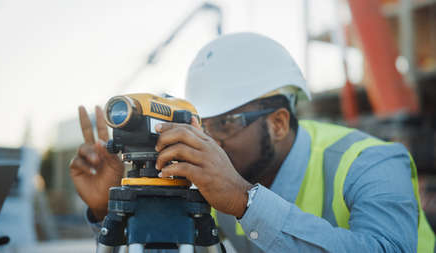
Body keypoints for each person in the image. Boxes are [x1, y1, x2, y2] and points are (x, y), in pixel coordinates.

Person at [69, 32, 435, 252]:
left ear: (278, 123)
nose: (208, 139)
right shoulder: (203, 182)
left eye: (226, 122)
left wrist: (245, 200)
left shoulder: (372, 163)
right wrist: (112, 209)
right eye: (201, 124)